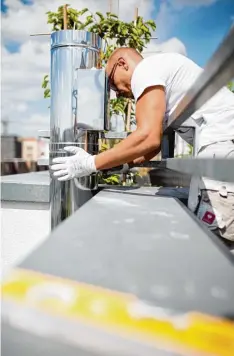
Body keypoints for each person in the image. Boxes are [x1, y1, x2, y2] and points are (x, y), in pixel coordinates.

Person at [51, 47, 234, 243]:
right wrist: (120, 165)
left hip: (223, 147)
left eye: (112, 83)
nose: (118, 94)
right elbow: (152, 147)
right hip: (221, 149)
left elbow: (148, 137)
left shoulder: (146, 70)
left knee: (215, 241)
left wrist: (89, 163)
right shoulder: (162, 78)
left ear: (122, 63)